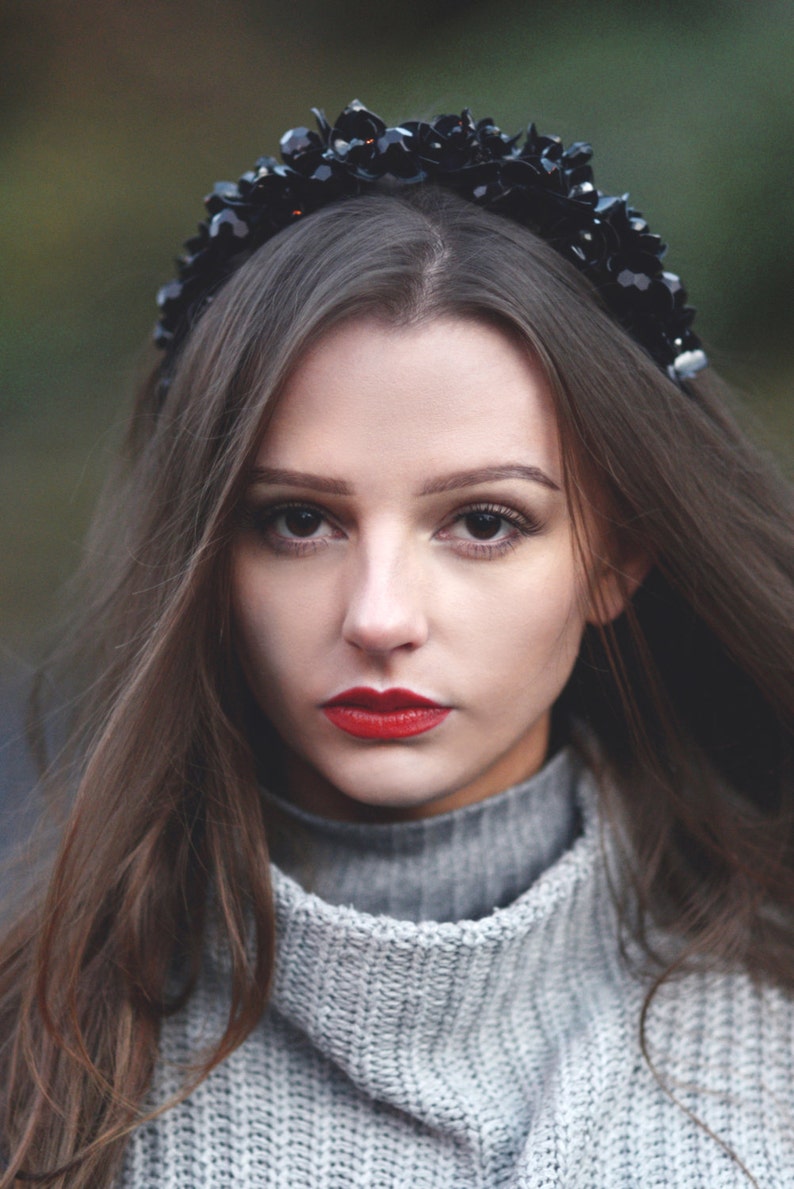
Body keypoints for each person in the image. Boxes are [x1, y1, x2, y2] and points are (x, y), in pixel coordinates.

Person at [1, 101, 792, 1188]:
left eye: (481, 522)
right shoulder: (42, 1064)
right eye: (297, 520)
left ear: (617, 556)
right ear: (207, 556)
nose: (377, 617)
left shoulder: (772, 1033)